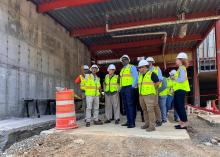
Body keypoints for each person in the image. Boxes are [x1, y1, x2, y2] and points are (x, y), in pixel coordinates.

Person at [138, 60, 160, 131]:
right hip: (141, 95)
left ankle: (152, 126)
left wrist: (152, 90)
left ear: (144, 67)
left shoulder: (152, 74)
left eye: (140, 67)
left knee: (150, 110)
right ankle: (147, 124)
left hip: (149, 95)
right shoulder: (140, 75)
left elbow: (157, 83)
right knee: (144, 110)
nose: (139, 69)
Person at [120, 55, 138, 128]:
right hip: (124, 88)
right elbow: (121, 79)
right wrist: (121, 88)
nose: (124, 61)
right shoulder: (122, 69)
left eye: (125, 59)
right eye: (123, 60)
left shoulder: (132, 67)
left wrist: (132, 87)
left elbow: (136, 77)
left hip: (129, 88)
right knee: (126, 105)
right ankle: (128, 121)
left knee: (130, 105)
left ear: (128, 60)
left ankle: (132, 123)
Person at [173, 52, 190, 129]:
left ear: (181, 60)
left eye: (177, 59)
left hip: (181, 90)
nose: (176, 61)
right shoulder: (180, 68)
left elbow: (182, 79)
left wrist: (174, 78)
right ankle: (182, 122)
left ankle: (184, 123)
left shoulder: (182, 68)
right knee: (177, 106)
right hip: (178, 90)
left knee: (180, 106)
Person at [146, 57, 162, 126]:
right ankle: (153, 120)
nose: (149, 63)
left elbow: (160, 79)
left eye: (150, 61)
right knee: (150, 106)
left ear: (152, 62)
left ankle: (159, 120)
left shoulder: (157, 69)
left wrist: (155, 87)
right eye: (148, 62)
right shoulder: (146, 70)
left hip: (154, 89)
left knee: (155, 105)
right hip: (147, 90)